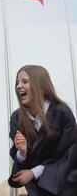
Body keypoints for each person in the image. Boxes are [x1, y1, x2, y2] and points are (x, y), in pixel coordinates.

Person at [8, 65, 77, 195]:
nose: (18, 86)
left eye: (25, 81)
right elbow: (19, 162)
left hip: (65, 185)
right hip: (37, 189)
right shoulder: (16, 118)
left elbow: (69, 157)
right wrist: (22, 153)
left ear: (41, 85)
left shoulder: (62, 112)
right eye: (17, 83)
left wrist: (34, 172)